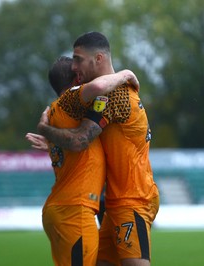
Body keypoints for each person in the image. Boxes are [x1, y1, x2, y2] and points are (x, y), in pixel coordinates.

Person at [37, 32, 159, 266]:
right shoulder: (107, 93)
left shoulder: (113, 94)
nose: (75, 67)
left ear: (99, 58)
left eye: (78, 60)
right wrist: (55, 140)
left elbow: (81, 139)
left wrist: (49, 133)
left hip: (132, 198)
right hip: (116, 201)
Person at [27, 55, 139, 266]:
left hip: (62, 207)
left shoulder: (55, 112)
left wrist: (49, 139)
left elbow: (71, 142)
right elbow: (98, 87)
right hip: (74, 209)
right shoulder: (72, 99)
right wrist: (126, 74)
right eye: (80, 70)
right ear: (77, 79)